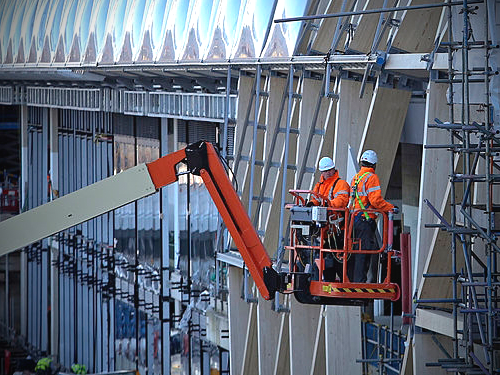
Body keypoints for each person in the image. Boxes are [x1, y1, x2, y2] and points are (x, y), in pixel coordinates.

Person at [349, 150, 397, 283]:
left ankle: (353, 280)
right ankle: (359, 282)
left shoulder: (356, 177)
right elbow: (376, 201)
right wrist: (391, 208)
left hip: (354, 218)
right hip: (365, 220)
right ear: (374, 164)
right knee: (364, 252)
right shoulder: (371, 177)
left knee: (355, 251)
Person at [308, 156, 350, 282]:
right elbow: (315, 198)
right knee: (325, 256)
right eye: (324, 171)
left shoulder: (341, 184)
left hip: (336, 227)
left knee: (337, 258)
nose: (326, 174)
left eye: (328, 171)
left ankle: (343, 280)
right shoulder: (319, 185)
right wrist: (312, 204)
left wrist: (328, 204)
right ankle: (328, 280)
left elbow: (342, 200)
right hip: (324, 229)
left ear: (333, 170)